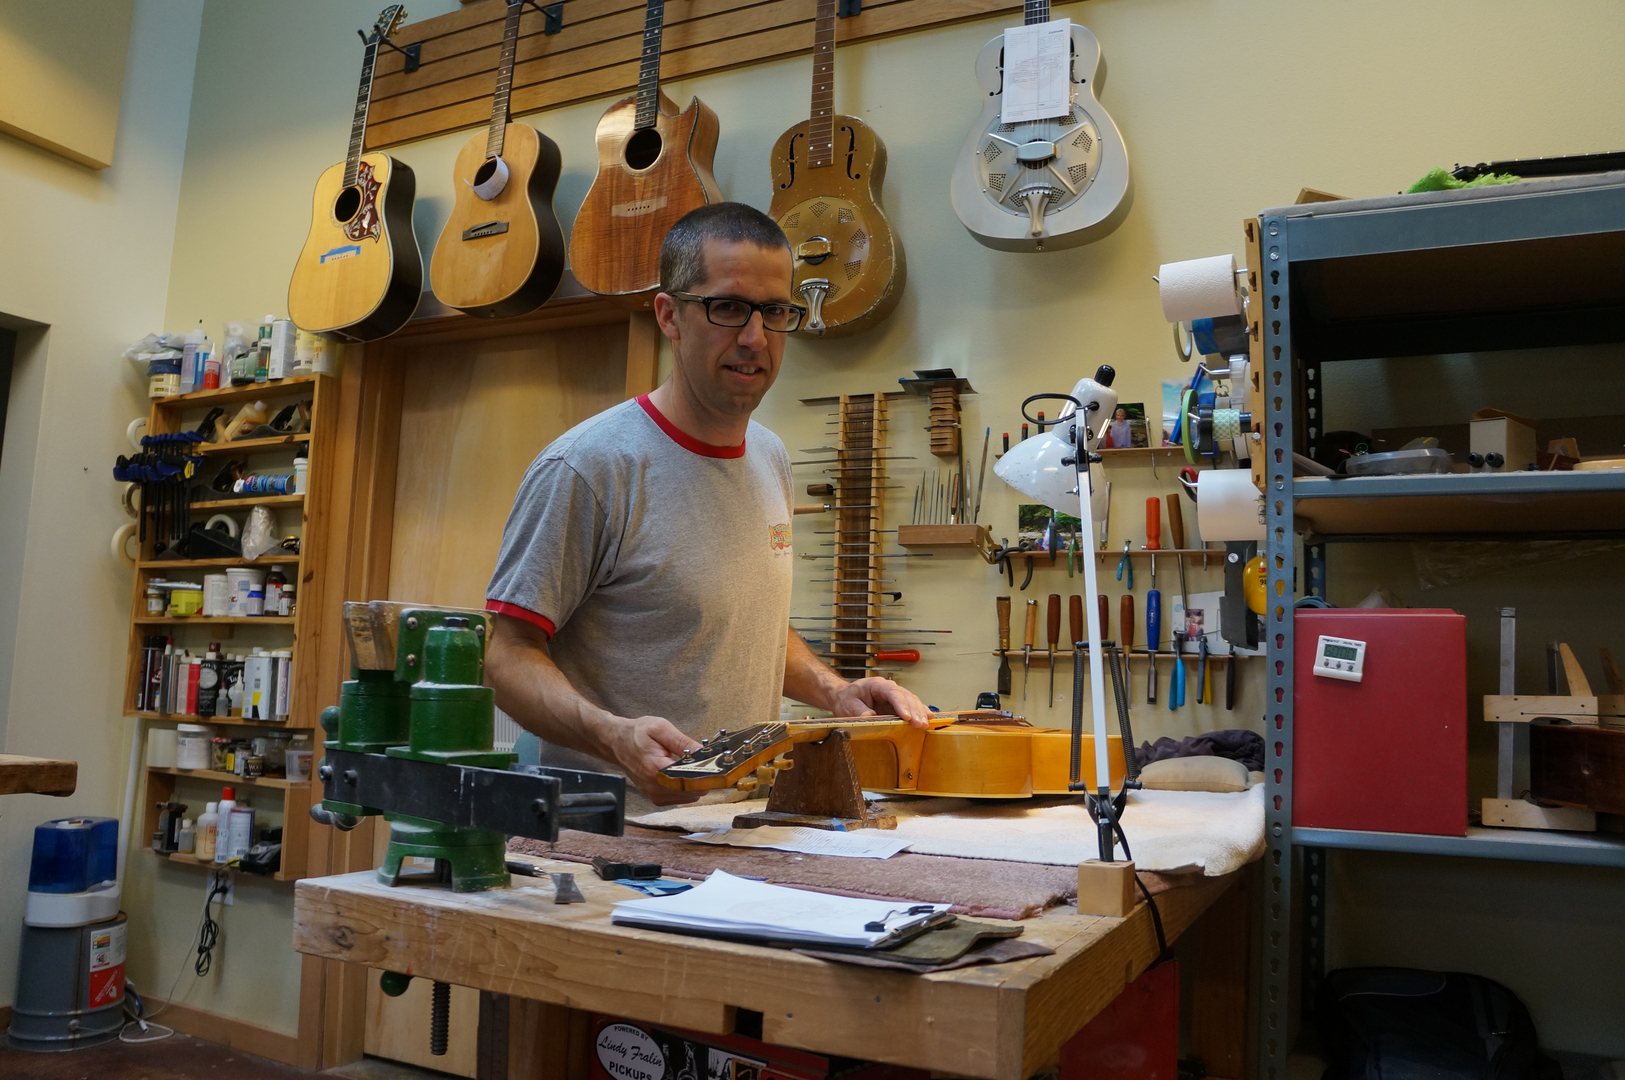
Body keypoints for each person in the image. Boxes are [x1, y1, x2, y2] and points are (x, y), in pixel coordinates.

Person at [484, 203, 930, 810]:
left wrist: (836, 691)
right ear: (669, 315)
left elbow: (746, 625)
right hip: (616, 843)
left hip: (744, 826)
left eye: (775, 312)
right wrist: (613, 736)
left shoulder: (769, 456)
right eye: (727, 309)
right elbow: (505, 655)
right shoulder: (589, 469)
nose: (755, 337)